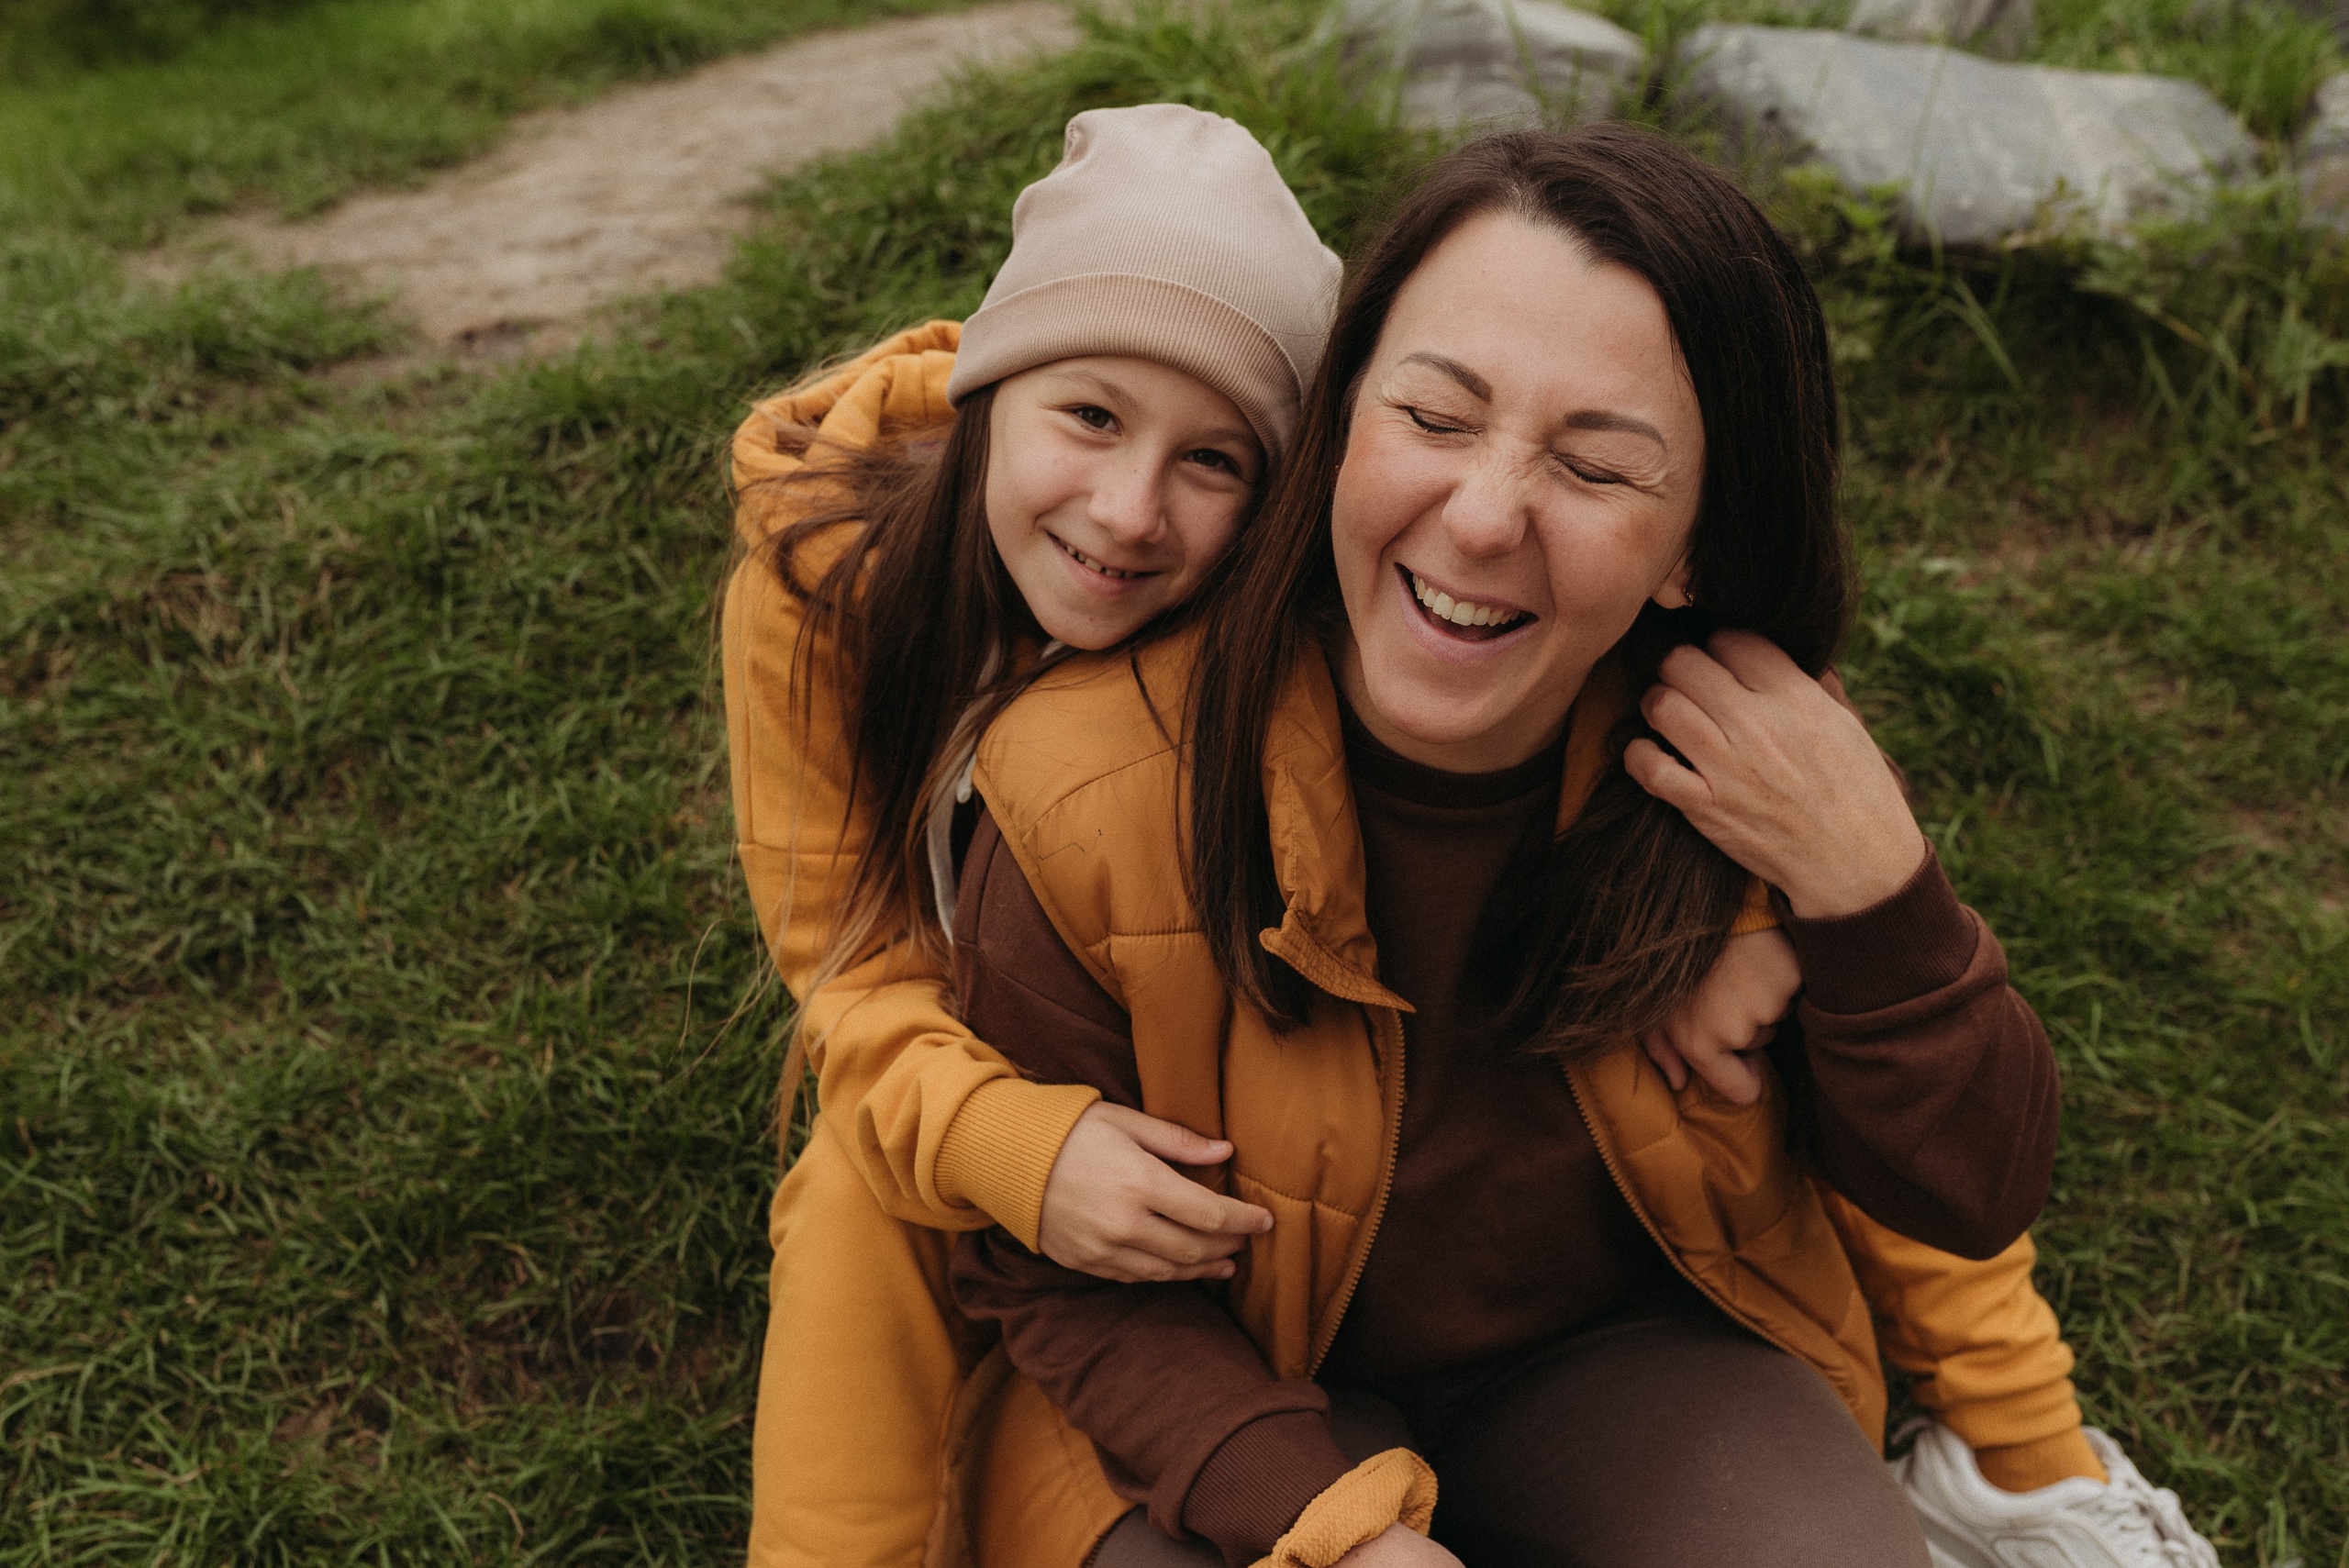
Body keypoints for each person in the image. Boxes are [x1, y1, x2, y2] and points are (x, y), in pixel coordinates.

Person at [935, 124, 2196, 1567]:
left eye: (1595, 469)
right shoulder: (1084, 784)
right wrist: (1338, 1533)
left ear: (1696, 548)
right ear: (1339, 419)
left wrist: (1872, 888)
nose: (1480, 519)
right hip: (1209, 1389)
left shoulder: (1752, 766)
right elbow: (1046, 1270)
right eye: (1435, 416)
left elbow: (1971, 1186)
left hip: (1619, 1363)